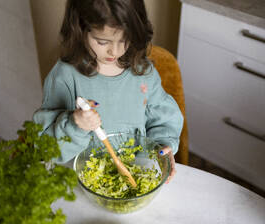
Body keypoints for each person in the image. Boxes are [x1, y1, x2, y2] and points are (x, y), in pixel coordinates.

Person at [33, 0, 183, 183]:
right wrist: (75, 125)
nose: (115, 50)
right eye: (102, 41)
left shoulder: (144, 73)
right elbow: (45, 147)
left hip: (138, 173)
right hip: (81, 182)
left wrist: (162, 144)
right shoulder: (65, 76)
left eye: (125, 40)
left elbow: (163, 119)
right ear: (80, 28)